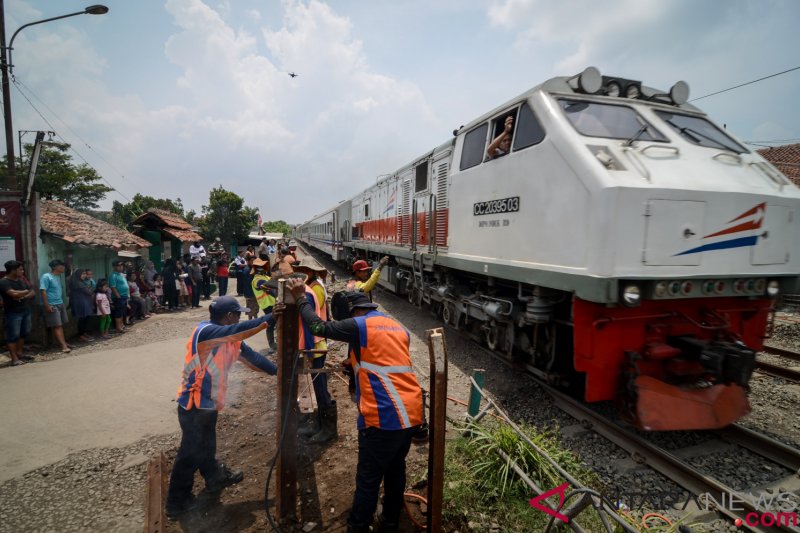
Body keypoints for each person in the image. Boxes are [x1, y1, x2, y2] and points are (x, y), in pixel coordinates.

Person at [287, 279, 423, 532]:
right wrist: (354, 364)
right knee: (395, 470)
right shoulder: (396, 327)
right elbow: (383, 359)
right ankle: (390, 521)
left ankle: (358, 525)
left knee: (369, 477)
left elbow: (318, 325)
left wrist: (300, 299)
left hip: (384, 415)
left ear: (353, 312)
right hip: (411, 412)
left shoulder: (360, 325)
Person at [165, 296, 283, 519]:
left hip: (208, 405)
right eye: (238, 314)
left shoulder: (230, 338)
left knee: (207, 444)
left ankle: (214, 478)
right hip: (193, 405)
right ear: (229, 316)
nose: (240, 317)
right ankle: (176, 504)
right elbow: (239, 331)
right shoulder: (206, 332)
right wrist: (270, 318)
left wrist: (278, 371)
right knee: (189, 454)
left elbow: (253, 358)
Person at [294, 258, 334, 442]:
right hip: (316, 344)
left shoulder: (310, 291)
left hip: (316, 346)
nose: (299, 274)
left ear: (309, 272)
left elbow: (310, 322)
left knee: (320, 387)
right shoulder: (310, 287)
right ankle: (320, 425)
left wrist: (309, 350)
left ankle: (328, 430)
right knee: (319, 387)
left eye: (302, 271)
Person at [0, 260, 36, 365]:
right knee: (13, 335)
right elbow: (13, 294)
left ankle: (20, 353)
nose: (23, 271)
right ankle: (14, 358)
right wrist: (24, 292)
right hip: (13, 313)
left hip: (25, 310)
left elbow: (32, 292)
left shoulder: (21, 280)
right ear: (13, 270)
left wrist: (23, 295)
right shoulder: (3, 282)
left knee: (24, 333)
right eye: (20, 269)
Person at [40, 259, 72, 353]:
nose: (63, 267)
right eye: (61, 266)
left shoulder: (58, 276)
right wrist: (47, 306)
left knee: (60, 324)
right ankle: (63, 346)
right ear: (54, 267)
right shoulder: (46, 277)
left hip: (59, 302)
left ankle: (64, 342)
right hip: (51, 304)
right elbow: (43, 291)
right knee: (57, 325)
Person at [250, 258, 277, 351]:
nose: (261, 268)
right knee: (271, 323)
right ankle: (272, 345)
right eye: (259, 267)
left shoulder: (265, 277)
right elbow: (267, 286)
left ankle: (275, 343)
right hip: (266, 305)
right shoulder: (257, 280)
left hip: (272, 303)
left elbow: (273, 282)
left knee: (275, 322)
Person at [69, 269, 95, 342]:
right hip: (80, 303)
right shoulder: (78, 283)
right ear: (78, 275)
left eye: (85, 274)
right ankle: (81, 335)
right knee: (82, 319)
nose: (84, 276)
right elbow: (89, 292)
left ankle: (83, 333)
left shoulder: (80, 282)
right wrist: (91, 290)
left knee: (85, 318)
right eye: (82, 274)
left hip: (84, 302)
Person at [109, 260, 130, 333]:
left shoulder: (121, 275)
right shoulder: (113, 275)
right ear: (114, 267)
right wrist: (118, 297)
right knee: (118, 312)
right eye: (119, 266)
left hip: (124, 296)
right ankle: (118, 327)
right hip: (119, 297)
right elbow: (113, 287)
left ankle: (121, 325)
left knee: (122, 312)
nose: (121, 267)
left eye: (122, 265)